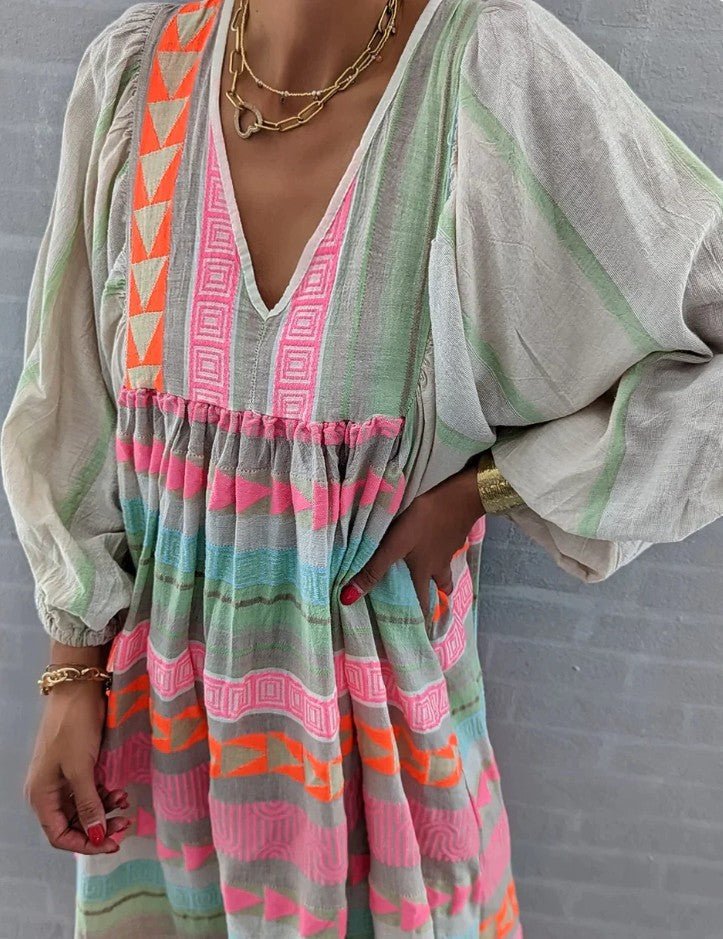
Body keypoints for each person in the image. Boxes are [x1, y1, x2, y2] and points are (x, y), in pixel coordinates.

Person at [1, 0, 721, 935]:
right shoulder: (137, 77)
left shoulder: (488, 74)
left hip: (376, 767)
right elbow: (71, 403)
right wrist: (71, 673)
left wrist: (489, 489)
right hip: (164, 746)